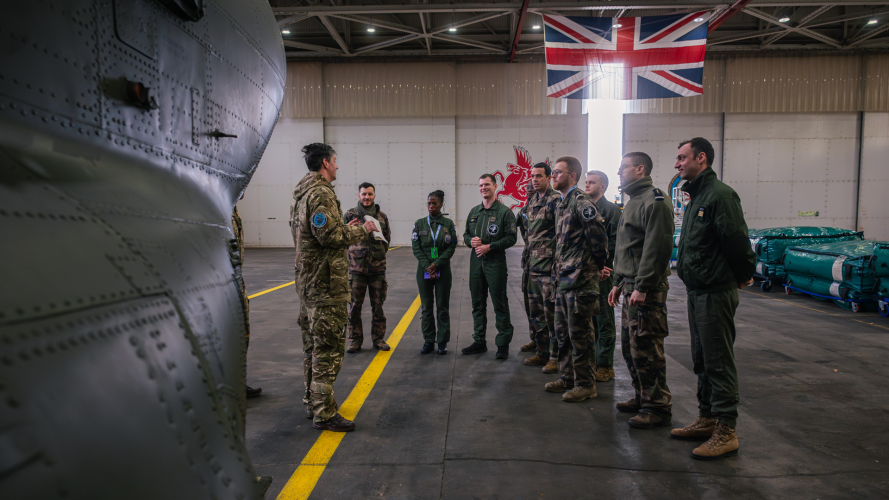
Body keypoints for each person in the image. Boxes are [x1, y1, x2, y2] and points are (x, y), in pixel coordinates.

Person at [672, 137, 756, 460]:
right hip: (697, 291)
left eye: (682, 158)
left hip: (715, 291)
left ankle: (726, 430)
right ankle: (707, 418)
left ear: (701, 158)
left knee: (718, 360)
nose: (677, 164)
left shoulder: (720, 195)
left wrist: (744, 273)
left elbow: (735, 240)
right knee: (702, 358)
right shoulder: (696, 196)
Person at [291, 142, 378, 432]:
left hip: (309, 284)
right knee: (327, 350)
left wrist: (343, 226)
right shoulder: (320, 193)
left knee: (312, 347)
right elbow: (328, 235)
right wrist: (361, 229)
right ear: (326, 162)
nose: (337, 166)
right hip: (325, 286)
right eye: (335, 161)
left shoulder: (302, 193)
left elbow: (311, 233)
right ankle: (324, 413)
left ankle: (312, 401)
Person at [607, 153, 675, 429]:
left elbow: (657, 248)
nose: (620, 172)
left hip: (646, 288)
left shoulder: (655, 200)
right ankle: (641, 395)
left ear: (640, 169)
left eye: (623, 167)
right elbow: (628, 250)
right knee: (631, 347)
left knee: (647, 347)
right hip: (630, 286)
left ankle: (657, 406)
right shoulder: (634, 201)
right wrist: (618, 281)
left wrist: (644, 286)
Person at [546, 156, 608, 402]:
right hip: (563, 281)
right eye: (553, 172)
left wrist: (594, 267)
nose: (554, 176)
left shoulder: (582, 202)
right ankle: (568, 377)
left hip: (580, 281)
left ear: (572, 176)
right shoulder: (562, 203)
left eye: (558, 172)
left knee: (580, 334)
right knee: (563, 333)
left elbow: (599, 238)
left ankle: (585, 384)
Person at [462, 174, 518, 359]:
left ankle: (503, 344)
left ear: (495, 186)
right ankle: (479, 340)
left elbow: (511, 238)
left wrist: (490, 246)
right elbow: (465, 236)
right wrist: (472, 241)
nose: (483, 188)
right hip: (476, 264)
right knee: (477, 303)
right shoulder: (474, 212)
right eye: (481, 185)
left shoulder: (504, 212)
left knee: (499, 303)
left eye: (487, 184)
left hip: (495, 264)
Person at [518, 163, 561, 370]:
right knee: (536, 314)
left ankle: (555, 357)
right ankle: (542, 352)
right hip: (532, 268)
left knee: (551, 315)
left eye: (539, 176)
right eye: (532, 176)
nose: (534, 180)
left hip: (548, 270)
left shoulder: (555, 201)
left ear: (549, 177)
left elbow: (562, 236)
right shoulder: (532, 200)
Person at [344, 182, 392, 353]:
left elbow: (387, 240)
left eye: (370, 194)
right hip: (356, 271)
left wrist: (377, 256)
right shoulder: (350, 215)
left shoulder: (382, 217)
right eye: (364, 194)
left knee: (378, 306)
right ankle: (354, 340)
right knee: (354, 307)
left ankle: (378, 339)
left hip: (377, 270)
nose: (367, 197)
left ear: (374, 195)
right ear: (359, 195)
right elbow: (342, 240)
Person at [585, 171, 621, 383]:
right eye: (587, 182)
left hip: (604, 273)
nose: (587, 185)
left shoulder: (612, 210)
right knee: (588, 317)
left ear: (603, 187)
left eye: (592, 182)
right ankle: (592, 360)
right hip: (587, 272)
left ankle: (605, 364)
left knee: (604, 318)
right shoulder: (585, 209)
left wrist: (604, 267)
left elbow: (614, 241)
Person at [411, 190, 457, 355]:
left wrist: (436, 264)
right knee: (426, 306)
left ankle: (442, 341)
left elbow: (451, 246)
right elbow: (416, 247)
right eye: (429, 203)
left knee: (442, 306)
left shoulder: (448, 224)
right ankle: (428, 340)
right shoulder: (420, 223)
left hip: (443, 270)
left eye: (435, 203)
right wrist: (427, 265)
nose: (431, 206)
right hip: (423, 270)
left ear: (441, 204)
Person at [231, 203, 263, 399]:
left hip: (235, 280)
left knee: (242, 333)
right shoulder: (216, 207)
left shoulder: (232, 208)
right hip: (220, 282)